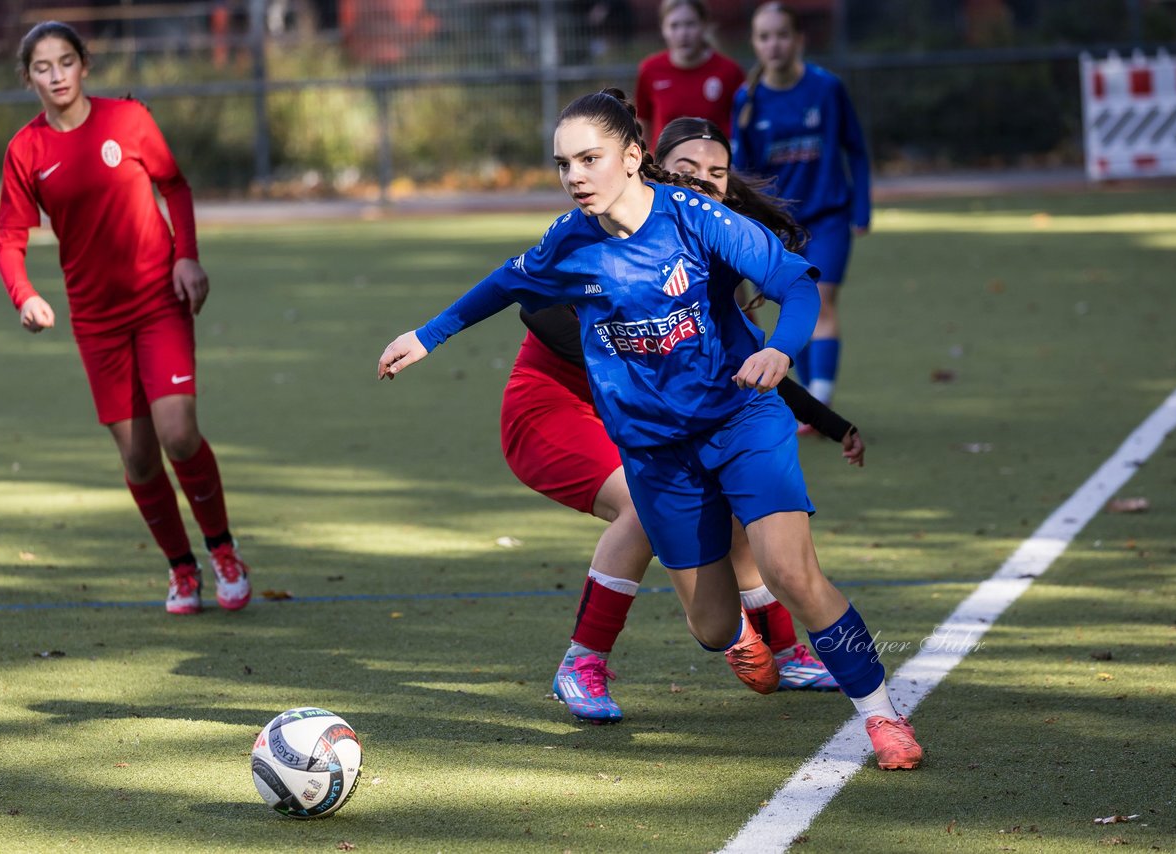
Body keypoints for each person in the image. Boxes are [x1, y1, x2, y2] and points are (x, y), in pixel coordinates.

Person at [379, 89, 922, 770]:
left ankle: (882, 716)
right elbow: (506, 282)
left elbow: (797, 284)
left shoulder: (697, 218)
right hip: (657, 454)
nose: (575, 176)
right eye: (563, 163)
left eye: (590, 158)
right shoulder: (568, 241)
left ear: (633, 156)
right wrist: (427, 336)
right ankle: (758, 639)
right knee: (713, 627)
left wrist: (782, 349)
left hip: (740, 419)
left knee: (790, 569)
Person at [502, 116, 864, 725]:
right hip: (554, 409)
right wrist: (641, 360)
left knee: (738, 508)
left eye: (716, 172)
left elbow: (744, 368)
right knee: (642, 507)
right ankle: (583, 662)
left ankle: (784, 651)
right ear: (648, 170)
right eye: (686, 169)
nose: (702, 182)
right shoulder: (600, 232)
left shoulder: (709, 244)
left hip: (649, 417)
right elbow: (534, 313)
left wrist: (828, 421)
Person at [0, 21, 252, 615]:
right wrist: (24, 295)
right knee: (138, 456)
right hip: (96, 319)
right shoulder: (25, 151)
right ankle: (181, 568)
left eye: (66, 62)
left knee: (178, 434)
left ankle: (223, 551)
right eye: (42, 67)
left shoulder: (128, 120)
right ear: (28, 78)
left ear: (84, 64)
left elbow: (175, 186)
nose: (57, 76)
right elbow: (9, 240)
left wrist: (187, 257)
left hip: (159, 300)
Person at [731, 2, 871, 426]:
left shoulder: (826, 88)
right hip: (777, 226)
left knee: (822, 302)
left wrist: (862, 208)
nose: (773, 44)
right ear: (755, 43)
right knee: (796, 308)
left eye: (781, 35)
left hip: (828, 218)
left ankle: (818, 404)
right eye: (764, 36)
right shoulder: (747, 99)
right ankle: (811, 400)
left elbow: (856, 150)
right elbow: (742, 174)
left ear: (798, 40)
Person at [634, 0, 745, 153]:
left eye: (690, 24)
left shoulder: (729, 71)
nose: (683, 34)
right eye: (674, 26)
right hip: (665, 166)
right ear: (663, 29)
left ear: (704, 25)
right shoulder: (650, 70)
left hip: (714, 163)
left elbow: (743, 125)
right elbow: (643, 124)